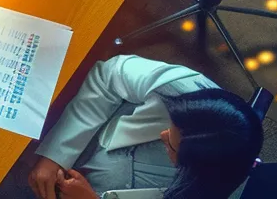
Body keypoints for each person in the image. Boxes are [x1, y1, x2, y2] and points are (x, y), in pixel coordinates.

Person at [27, 56, 262, 199]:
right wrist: (55, 155)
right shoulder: (183, 89)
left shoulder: (204, 190)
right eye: (171, 127)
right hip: (67, 129)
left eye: (171, 144)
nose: (163, 135)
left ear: (191, 173)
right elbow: (109, 74)